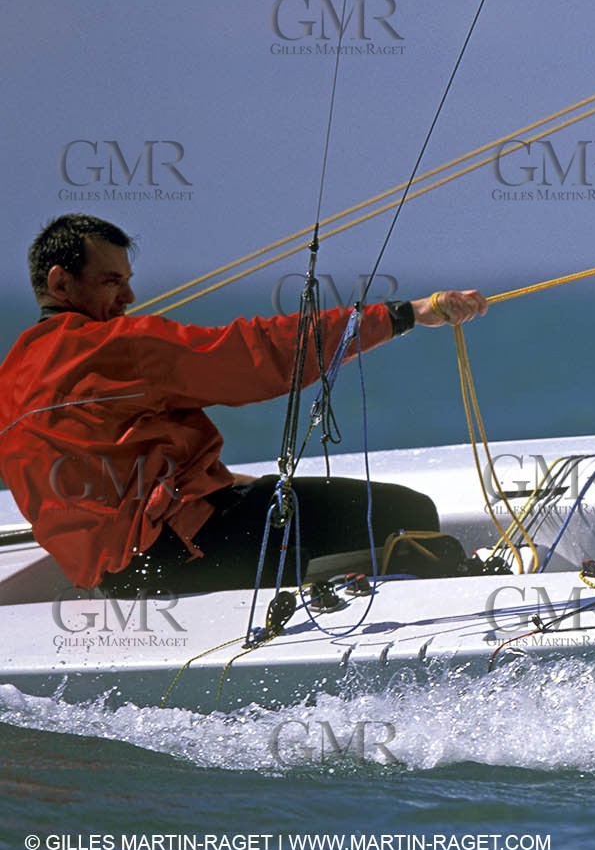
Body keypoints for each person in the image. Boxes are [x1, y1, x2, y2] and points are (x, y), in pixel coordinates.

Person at [0, 214, 489, 595]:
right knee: (407, 514)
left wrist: (224, 483)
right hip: (187, 552)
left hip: (120, 577)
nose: (128, 296)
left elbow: (109, 468)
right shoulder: (111, 347)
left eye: (127, 279)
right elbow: (259, 354)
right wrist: (406, 314)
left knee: (283, 499)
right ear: (61, 283)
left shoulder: (12, 380)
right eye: (111, 282)